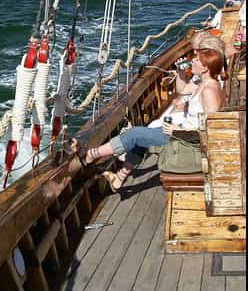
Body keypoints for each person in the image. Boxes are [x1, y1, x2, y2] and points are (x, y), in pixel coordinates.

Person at [72, 47, 224, 192]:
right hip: (182, 135)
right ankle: (118, 179)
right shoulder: (204, 84)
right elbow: (182, 91)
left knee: (136, 134)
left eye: (197, 60)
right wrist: (180, 73)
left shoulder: (209, 91)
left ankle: (91, 154)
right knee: (143, 137)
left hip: (187, 143)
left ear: (205, 68)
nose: (193, 61)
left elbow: (211, 129)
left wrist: (177, 130)